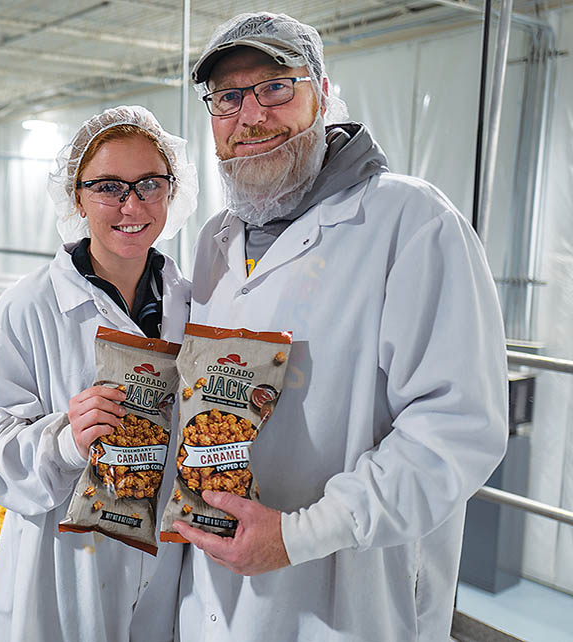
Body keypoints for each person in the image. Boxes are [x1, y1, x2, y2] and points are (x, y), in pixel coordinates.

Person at [172, 12, 508, 641]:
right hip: (215, 594)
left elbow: (455, 429)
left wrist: (299, 534)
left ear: (322, 95)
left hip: (348, 604)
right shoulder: (216, 239)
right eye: (227, 97)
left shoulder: (411, 220)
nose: (250, 116)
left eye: (276, 87)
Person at [0, 105, 199, 641]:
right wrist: (65, 441)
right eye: (109, 187)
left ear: (172, 190)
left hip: (168, 565)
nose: (132, 205)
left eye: (150, 184)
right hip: (64, 570)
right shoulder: (31, 306)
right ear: (77, 196)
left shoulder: (194, 304)